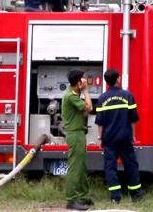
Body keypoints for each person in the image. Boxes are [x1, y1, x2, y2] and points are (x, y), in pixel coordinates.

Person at [95, 69, 142, 204]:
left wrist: (100, 138)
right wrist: (133, 136)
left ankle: (115, 198)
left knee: (110, 168)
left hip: (109, 139)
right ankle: (136, 196)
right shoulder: (128, 96)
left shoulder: (102, 98)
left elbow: (100, 123)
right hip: (125, 137)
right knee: (131, 166)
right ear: (118, 79)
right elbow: (133, 119)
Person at [62, 69, 93, 210]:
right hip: (74, 134)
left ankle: (83, 196)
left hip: (78, 133)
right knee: (75, 167)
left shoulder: (73, 92)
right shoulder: (70, 96)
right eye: (84, 78)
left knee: (81, 166)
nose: (86, 80)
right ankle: (71, 200)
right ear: (79, 81)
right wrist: (86, 91)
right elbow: (89, 107)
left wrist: (82, 89)